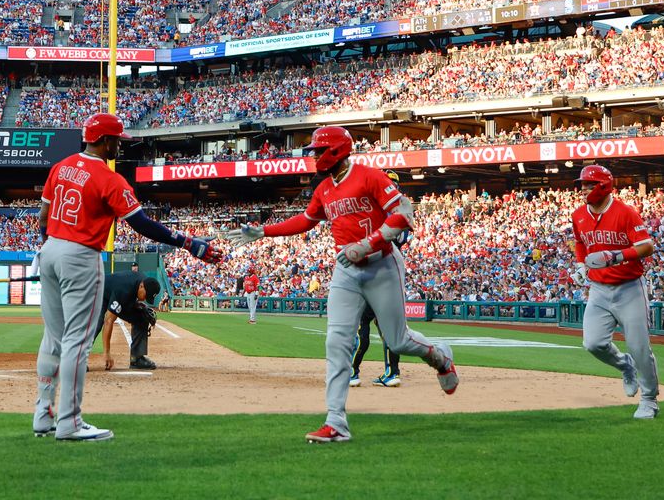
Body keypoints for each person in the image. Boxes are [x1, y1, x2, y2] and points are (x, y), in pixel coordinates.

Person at [225, 126, 457, 444]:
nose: (315, 156)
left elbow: (403, 215)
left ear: (336, 151)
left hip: (382, 265)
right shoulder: (324, 189)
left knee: (398, 341)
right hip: (346, 271)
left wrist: (368, 244)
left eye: (319, 151)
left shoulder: (369, 176)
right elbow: (306, 220)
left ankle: (440, 357)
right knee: (336, 343)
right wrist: (264, 231)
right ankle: (336, 421)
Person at [33, 112, 222, 442]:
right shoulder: (110, 179)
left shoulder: (60, 167)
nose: (119, 145)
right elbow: (142, 224)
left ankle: (42, 415)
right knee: (76, 340)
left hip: (49, 250)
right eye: (117, 140)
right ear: (105, 141)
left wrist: (52, 248)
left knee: (53, 337)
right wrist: (189, 243)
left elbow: (43, 217)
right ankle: (69, 422)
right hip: (80, 255)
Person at [572, 164, 660, 419]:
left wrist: (617, 255)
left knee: (639, 346)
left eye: (589, 184)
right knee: (593, 343)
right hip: (598, 288)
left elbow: (646, 246)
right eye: (582, 185)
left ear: (603, 186)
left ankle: (649, 399)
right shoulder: (578, 214)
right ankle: (625, 366)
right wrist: (580, 265)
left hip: (629, 287)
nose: (583, 189)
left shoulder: (625, 213)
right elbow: (579, 242)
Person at [351, 170, 406, 388]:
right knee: (389, 330)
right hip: (390, 277)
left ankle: (353, 372)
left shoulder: (375, 211)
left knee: (359, 325)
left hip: (371, 275)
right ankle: (392, 373)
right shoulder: (401, 212)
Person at [97, 271, 166, 370]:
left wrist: (137, 304)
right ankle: (79, 358)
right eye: (145, 296)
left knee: (142, 316)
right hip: (99, 293)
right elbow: (109, 320)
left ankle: (136, 359)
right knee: (96, 324)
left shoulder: (145, 282)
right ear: (141, 286)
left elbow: (133, 297)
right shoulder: (124, 289)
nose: (144, 299)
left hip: (122, 293)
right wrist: (107, 352)